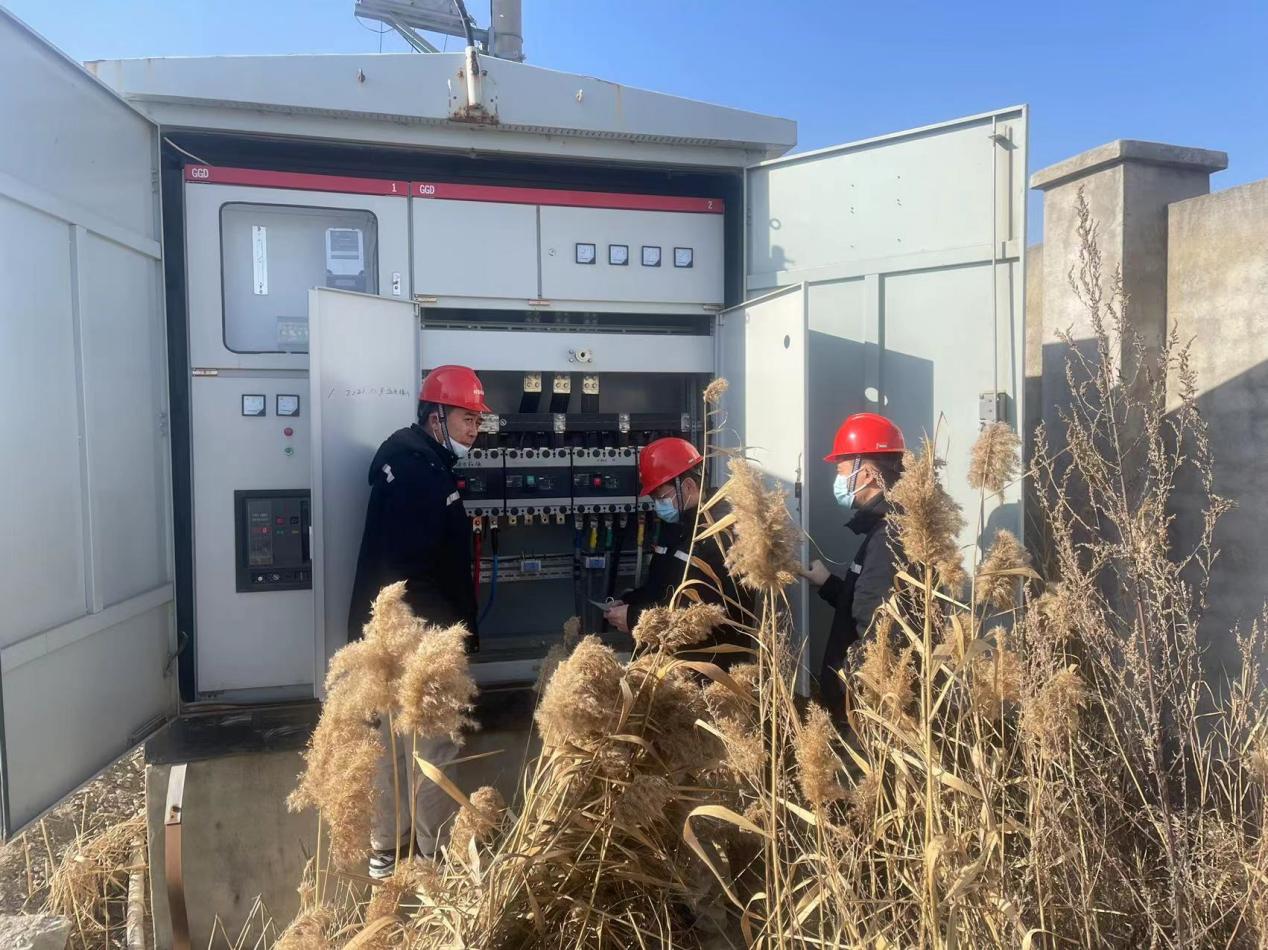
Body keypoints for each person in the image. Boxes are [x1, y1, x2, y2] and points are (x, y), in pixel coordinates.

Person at [346, 363, 491, 878]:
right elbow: (418, 568)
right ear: (436, 417)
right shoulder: (419, 473)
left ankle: (387, 851)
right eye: (467, 419)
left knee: (391, 742)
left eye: (478, 421)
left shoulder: (410, 460)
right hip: (423, 633)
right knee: (433, 746)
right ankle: (436, 860)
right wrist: (450, 635)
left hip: (392, 631)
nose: (474, 431)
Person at [603, 437, 750, 665]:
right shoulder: (677, 525)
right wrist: (630, 602)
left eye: (661, 497)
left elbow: (706, 613)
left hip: (709, 665)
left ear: (688, 486)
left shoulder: (722, 531)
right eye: (654, 499)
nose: (658, 505)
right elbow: (661, 587)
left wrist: (635, 617)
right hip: (672, 658)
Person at [802, 412, 905, 719]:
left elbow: (878, 631)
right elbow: (866, 598)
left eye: (842, 470)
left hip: (866, 709)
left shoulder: (889, 538)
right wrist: (827, 583)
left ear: (867, 474)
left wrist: (855, 695)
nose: (838, 480)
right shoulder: (883, 529)